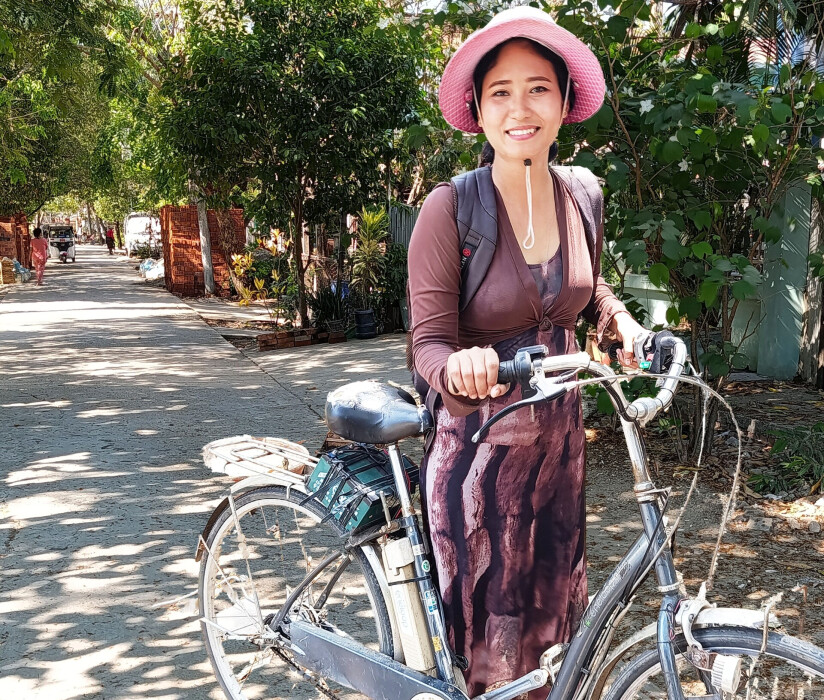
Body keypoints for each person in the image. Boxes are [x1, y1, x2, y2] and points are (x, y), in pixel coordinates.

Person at [407, 7, 647, 697]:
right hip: (477, 459)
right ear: (478, 109)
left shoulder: (584, 195)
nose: (521, 107)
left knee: (556, 629)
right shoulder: (449, 209)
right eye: (502, 91)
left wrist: (619, 321)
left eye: (538, 87)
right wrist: (457, 365)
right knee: (492, 648)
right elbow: (427, 341)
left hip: (561, 453)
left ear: (565, 102)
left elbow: (588, 282)